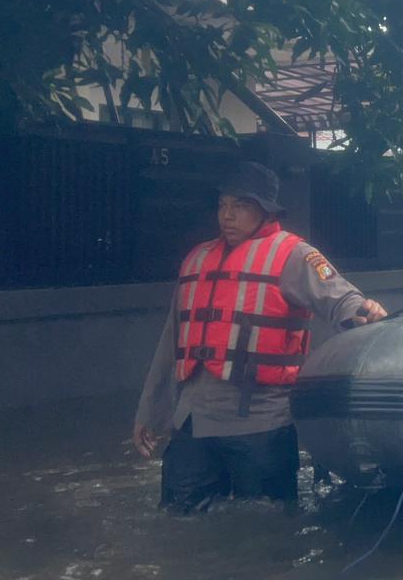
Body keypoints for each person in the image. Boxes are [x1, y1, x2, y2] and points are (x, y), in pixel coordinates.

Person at [132, 161, 387, 513]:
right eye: (223, 205)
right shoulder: (197, 259)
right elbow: (170, 343)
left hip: (262, 426)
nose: (227, 215)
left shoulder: (295, 255)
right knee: (177, 518)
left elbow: (343, 301)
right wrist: (150, 412)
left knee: (269, 525)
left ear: (265, 211)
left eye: (240, 206)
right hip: (192, 423)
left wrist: (365, 312)